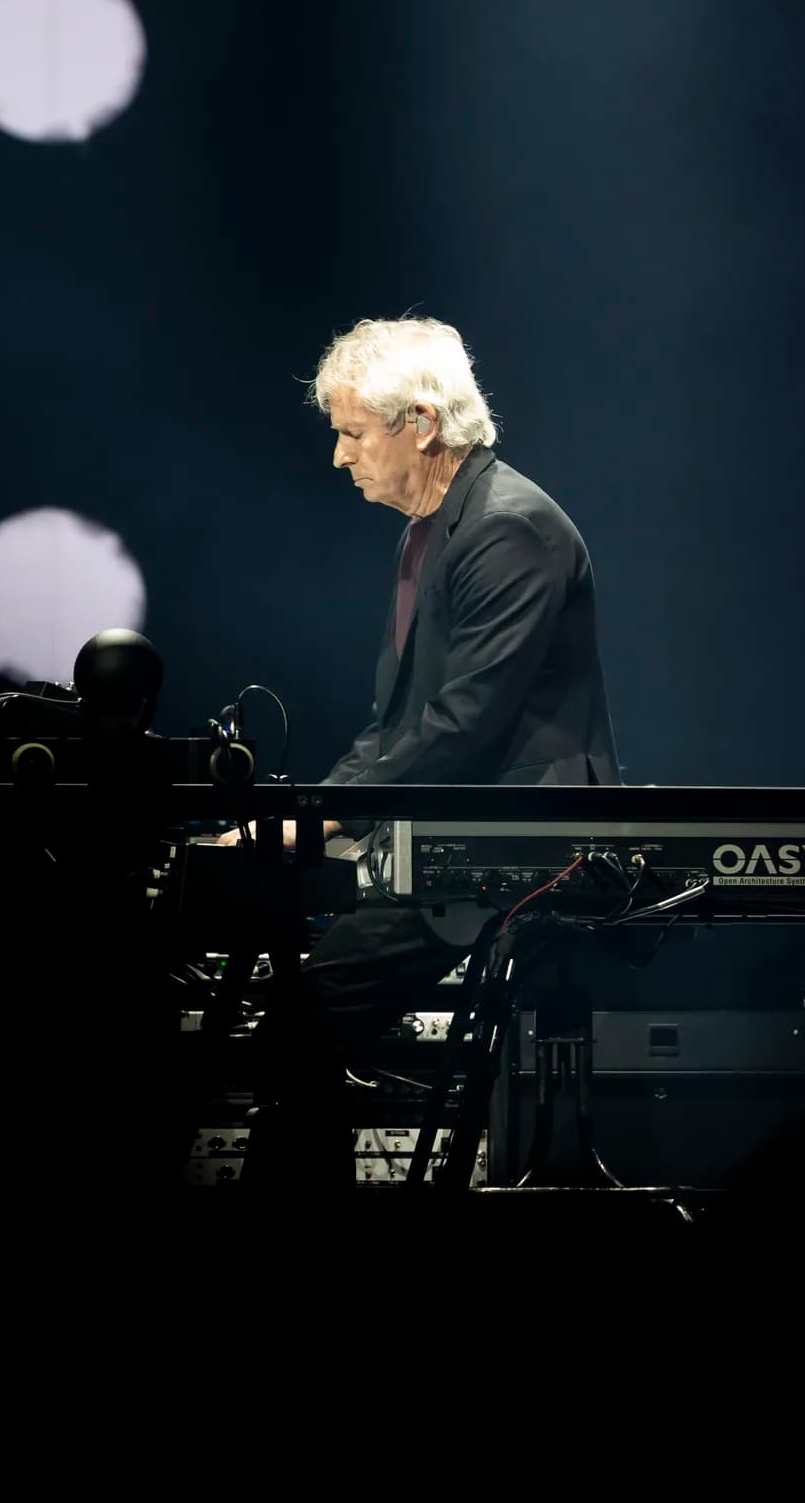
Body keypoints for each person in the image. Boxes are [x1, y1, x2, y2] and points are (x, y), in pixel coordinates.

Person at [219, 316, 619, 1188]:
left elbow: (462, 724)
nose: (338, 456)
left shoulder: (511, 527)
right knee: (296, 1000)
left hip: (517, 843)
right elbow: (399, 725)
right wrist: (306, 821)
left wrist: (321, 822)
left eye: (353, 432)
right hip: (458, 832)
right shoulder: (431, 529)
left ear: (422, 423)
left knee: (309, 1005)